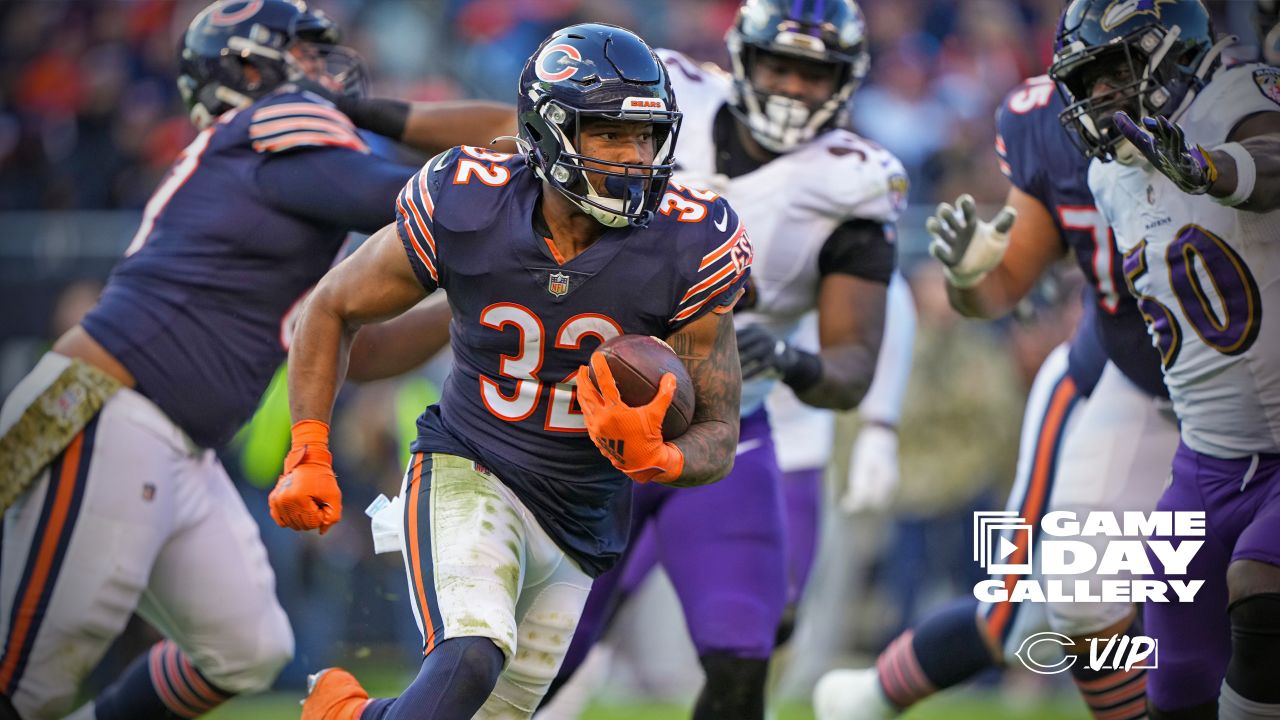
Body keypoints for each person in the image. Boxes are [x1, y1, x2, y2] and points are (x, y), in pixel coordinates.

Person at [0, 1, 513, 718]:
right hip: (107, 411)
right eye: (301, 52)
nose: (322, 67)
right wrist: (513, 213)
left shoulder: (284, 186)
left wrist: (472, 311)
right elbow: (414, 200)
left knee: (247, 647)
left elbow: (358, 350)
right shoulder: (266, 128)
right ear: (247, 67)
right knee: (29, 677)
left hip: (177, 441)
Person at [273, 23, 752, 720]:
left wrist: (663, 456)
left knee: (479, 711)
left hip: (582, 513)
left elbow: (720, 430)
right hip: (471, 465)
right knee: (471, 649)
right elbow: (333, 306)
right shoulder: (470, 201)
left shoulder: (690, 239)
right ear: (550, 131)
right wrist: (310, 445)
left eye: (646, 137)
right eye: (610, 134)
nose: (634, 156)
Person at [532, 2, 907, 718]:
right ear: (743, 59)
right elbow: (516, 146)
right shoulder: (668, 97)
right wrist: (383, 123)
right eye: (780, 66)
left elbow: (856, 354)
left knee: (747, 648)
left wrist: (797, 364)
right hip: (598, 412)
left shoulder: (853, 180)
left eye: (814, 72)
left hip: (735, 416)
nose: (794, 87)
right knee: (542, 654)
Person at [814, 36, 1184, 720]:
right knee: (1045, 602)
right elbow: (1000, 288)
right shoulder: (1046, 123)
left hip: (1243, 394)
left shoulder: (1243, 116)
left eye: (1126, 72)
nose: (1110, 97)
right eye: (1091, 78)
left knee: (1217, 592)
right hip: (1131, 378)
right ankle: (872, 696)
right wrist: (969, 276)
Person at [1049, 0, 1280, 716]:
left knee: (1261, 587)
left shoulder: (1244, 94)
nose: (1098, 97)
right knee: (1176, 681)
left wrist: (1212, 169)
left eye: (1112, 70)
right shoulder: (1107, 175)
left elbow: (1272, 159)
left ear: (1172, 49)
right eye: (1084, 82)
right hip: (1208, 457)